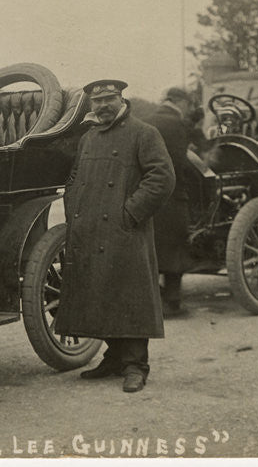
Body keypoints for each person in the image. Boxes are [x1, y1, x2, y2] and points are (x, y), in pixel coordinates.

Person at [55, 79, 175, 393]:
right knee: (100, 294)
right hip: (91, 229)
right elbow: (75, 178)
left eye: (109, 99)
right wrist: (74, 208)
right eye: (97, 101)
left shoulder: (144, 133)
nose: (103, 106)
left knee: (129, 295)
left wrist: (130, 212)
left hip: (124, 229)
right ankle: (114, 358)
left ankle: (136, 365)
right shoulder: (89, 137)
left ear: (121, 99)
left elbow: (162, 177)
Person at [146, 87, 202, 317]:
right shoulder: (176, 124)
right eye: (188, 105)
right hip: (172, 194)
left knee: (153, 248)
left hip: (148, 195)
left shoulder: (145, 120)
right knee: (176, 248)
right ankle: (172, 302)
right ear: (179, 102)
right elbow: (179, 164)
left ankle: (153, 299)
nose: (188, 110)